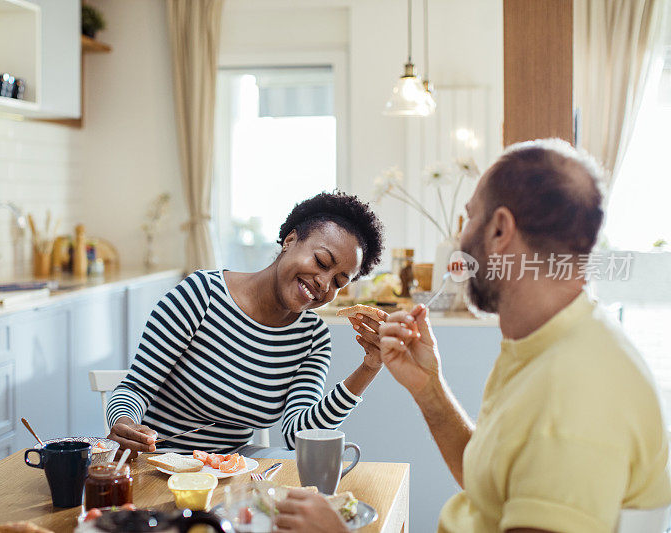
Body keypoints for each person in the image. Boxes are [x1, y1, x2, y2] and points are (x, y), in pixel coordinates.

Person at [276, 139, 671, 532]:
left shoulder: (577, 388)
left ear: (499, 229)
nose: (461, 241)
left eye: (469, 220)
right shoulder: (546, 343)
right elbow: (494, 487)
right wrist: (428, 388)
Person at [106, 191, 387, 456]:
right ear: (290, 240)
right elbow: (135, 388)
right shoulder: (202, 294)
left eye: (339, 282)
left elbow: (298, 435)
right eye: (322, 261)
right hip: (158, 467)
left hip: (230, 482)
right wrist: (124, 421)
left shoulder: (311, 338)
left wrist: (369, 367)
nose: (324, 283)